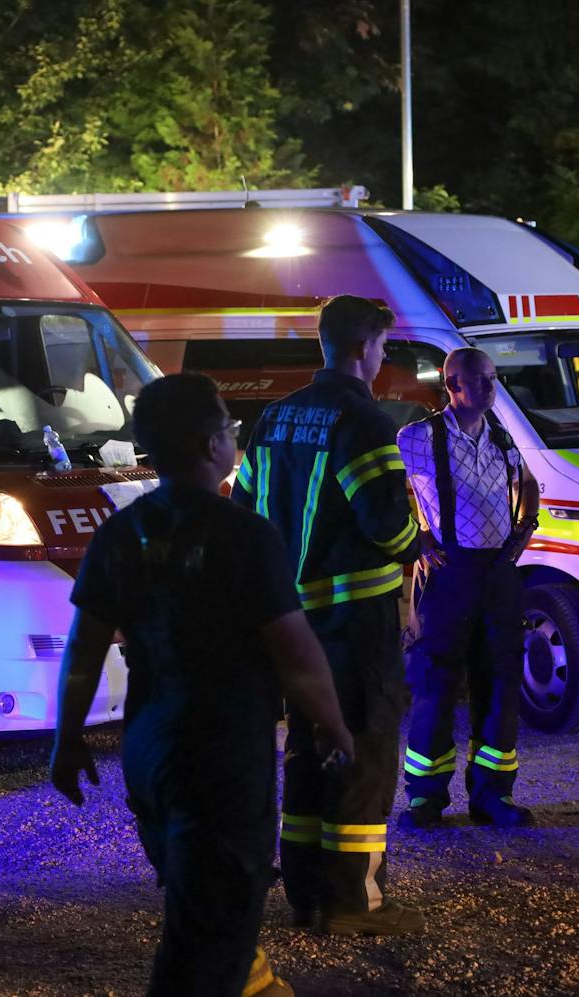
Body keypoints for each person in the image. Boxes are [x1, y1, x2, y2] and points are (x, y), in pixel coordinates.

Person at [50, 373, 353, 997]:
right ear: (213, 444)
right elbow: (296, 653)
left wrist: (67, 737)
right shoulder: (245, 535)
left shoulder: (120, 534)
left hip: (151, 752)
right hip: (221, 757)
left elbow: (84, 646)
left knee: (202, 907)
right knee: (204, 940)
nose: (233, 437)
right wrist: (333, 725)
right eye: (228, 426)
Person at [231, 295, 424, 936]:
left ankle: (306, 892)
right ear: (364, 348)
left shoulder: (275, 418)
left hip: (293, 622)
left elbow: (248, 513)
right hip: (354, 622)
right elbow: (387, 524)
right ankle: (354, 901)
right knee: (365, 750)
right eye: (382, 348)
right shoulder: (362, 421)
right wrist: (418, 543)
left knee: (308, 755)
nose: (382, 359)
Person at [397, 347, 541, 827]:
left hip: (497, 576)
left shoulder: (502, 438)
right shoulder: (417, 437)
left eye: (493, 380)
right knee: (435, 684)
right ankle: (426, 798)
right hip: (447, 576)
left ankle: (491, 796)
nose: (489, 388)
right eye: (479, 380)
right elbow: (385, 489)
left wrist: (525, 529)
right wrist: (416, 539)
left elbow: (527, 482)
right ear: (452, 384)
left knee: (500, 683)